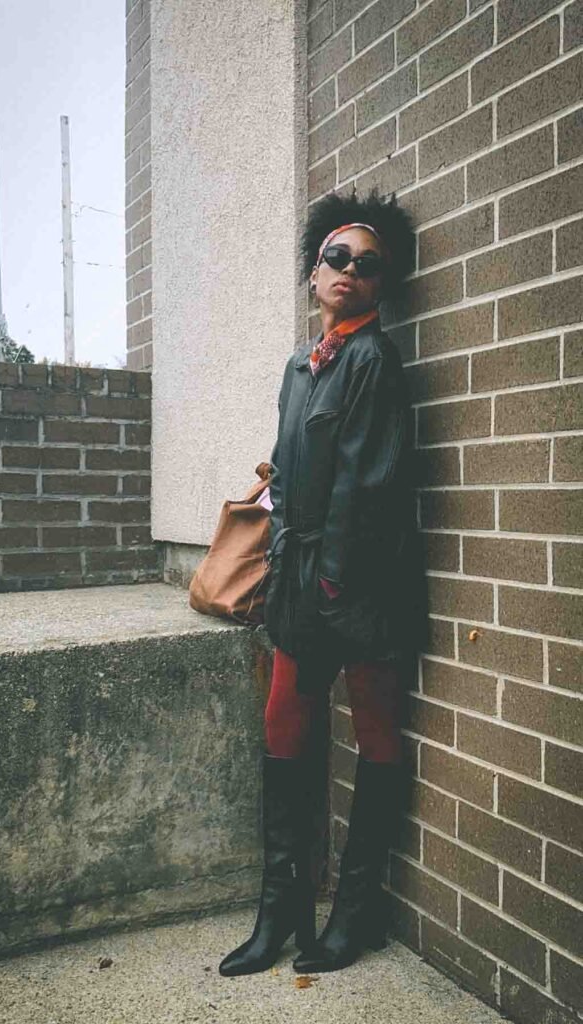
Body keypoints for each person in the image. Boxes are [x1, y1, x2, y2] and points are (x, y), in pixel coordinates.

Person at [219, 189, 426, 978]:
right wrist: (280, 564)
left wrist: (330, 586)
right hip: (301, 578)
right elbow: (287, 470)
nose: (350, 271)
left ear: (381, 286)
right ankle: (278, 917)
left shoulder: (376, 360)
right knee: (283, 729)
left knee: (375, 734)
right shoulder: (298, 367)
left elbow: (367, 487)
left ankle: (355, 914)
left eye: (368, 266)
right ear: (313, 274)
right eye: (337, 258)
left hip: (361, 588)